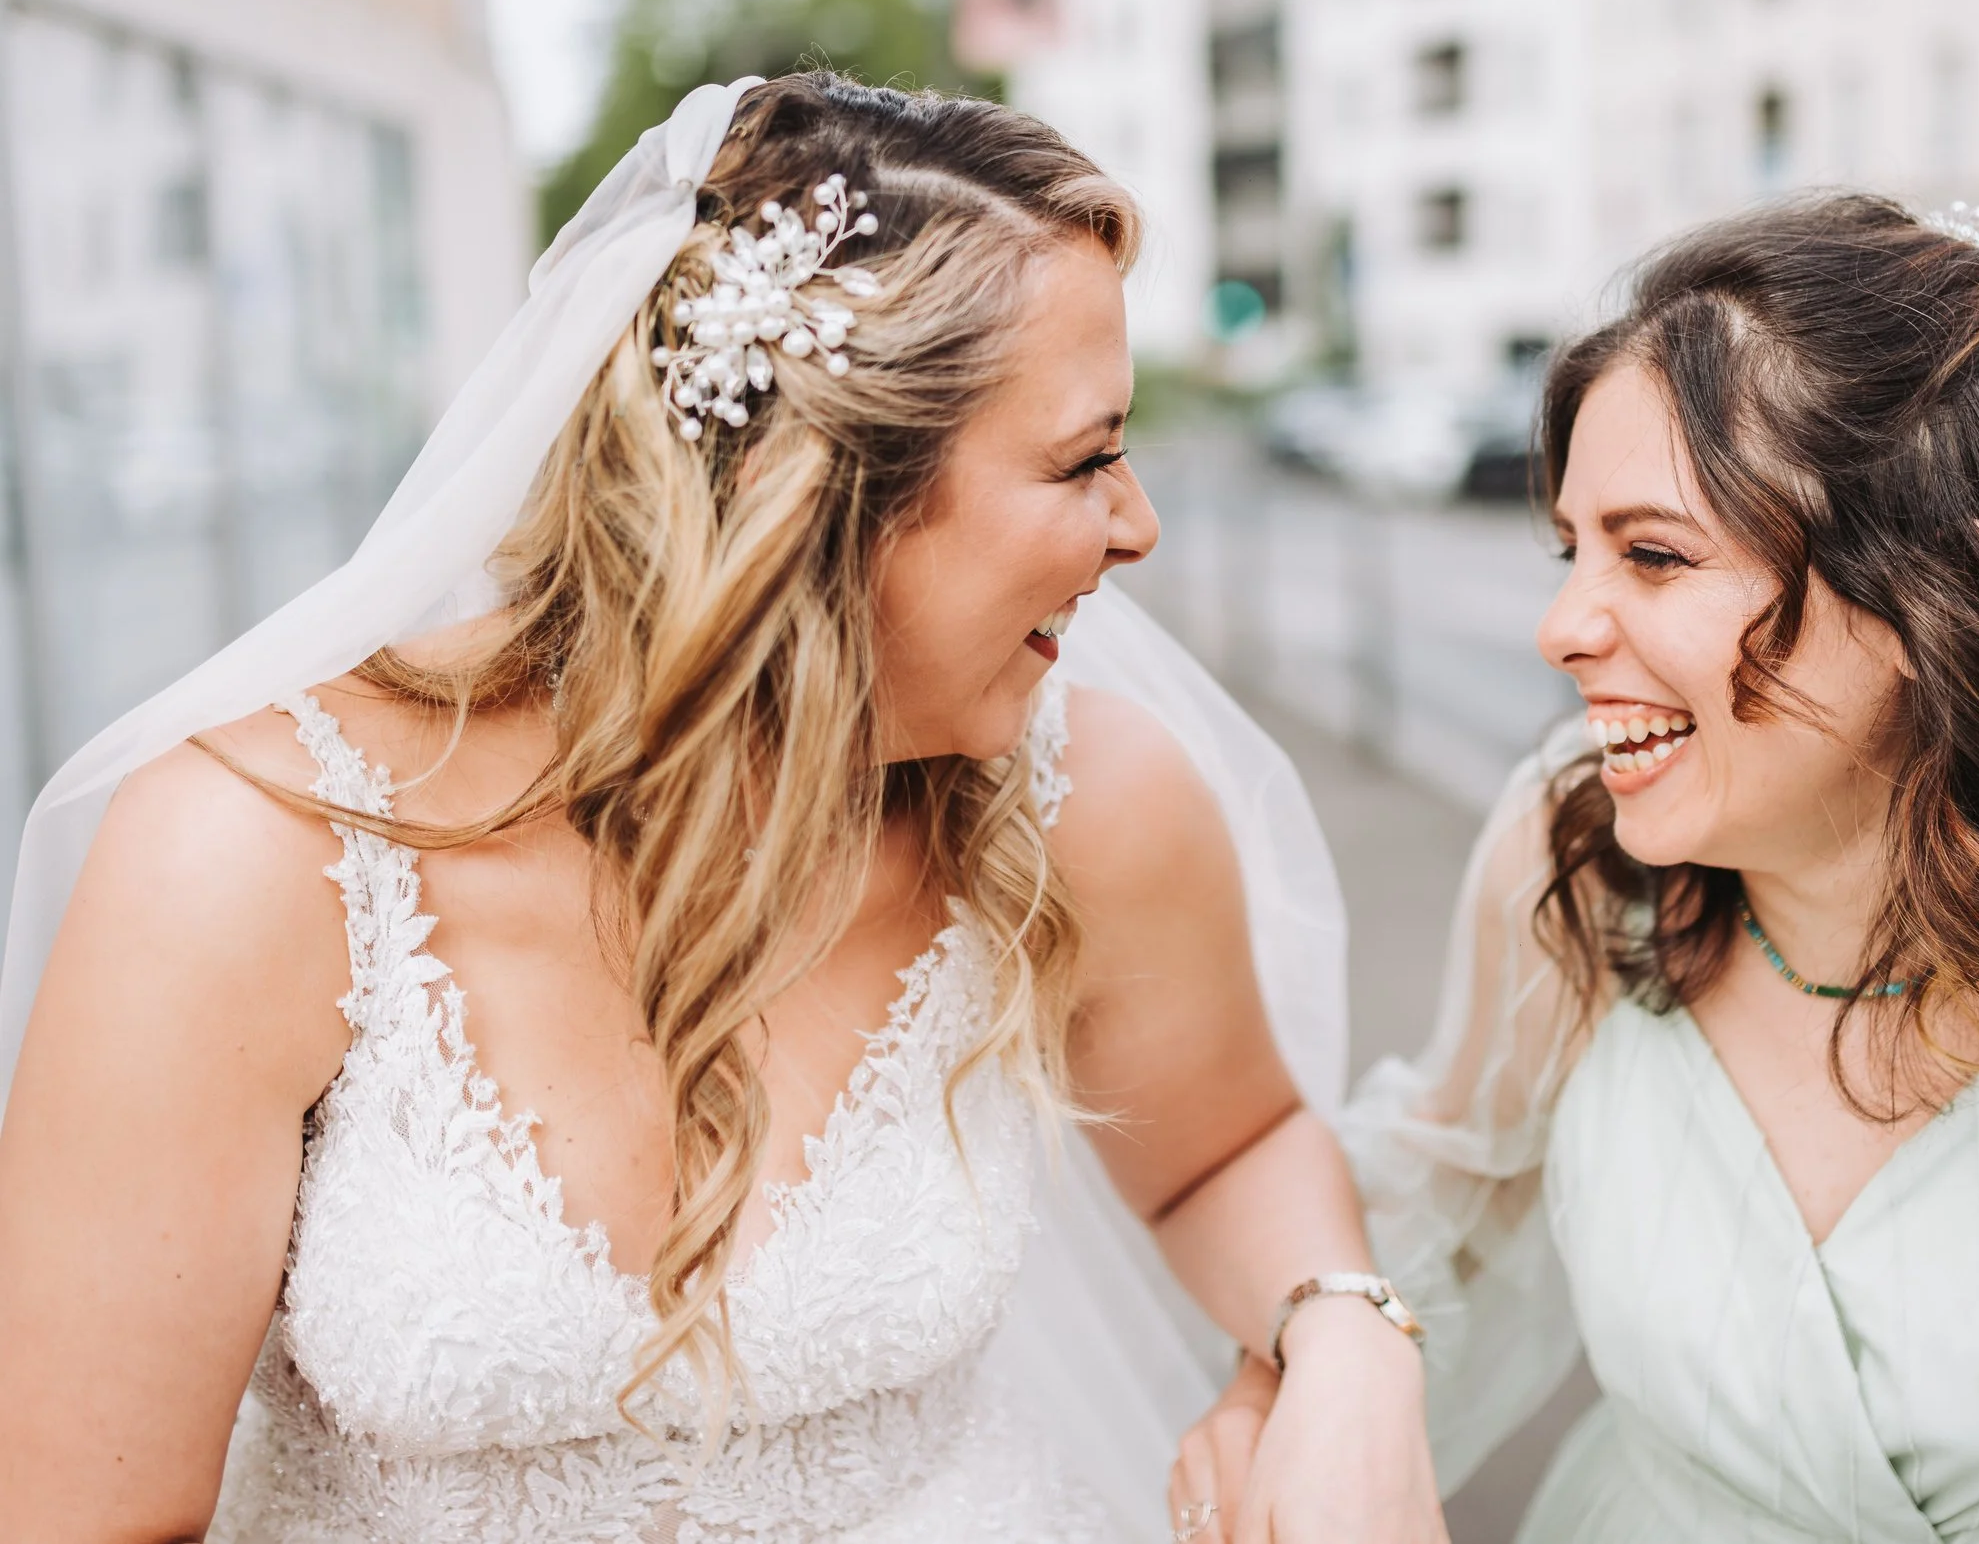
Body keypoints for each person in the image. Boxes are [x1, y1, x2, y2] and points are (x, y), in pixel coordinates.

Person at [0, 74, 1444, 1544]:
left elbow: (1229, 1147)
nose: (1137, 526)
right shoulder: (256, 858)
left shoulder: (1085, 802)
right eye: (1085, 459)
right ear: (819, 501)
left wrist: (1343, 1331)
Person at [1185, 193, 1979, 1540]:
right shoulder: (1570, 849)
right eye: (1573, 552)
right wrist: (1304, 1365)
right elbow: (1455, 1191)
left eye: (1654, 555)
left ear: (1941, 586)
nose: (1563, 625)